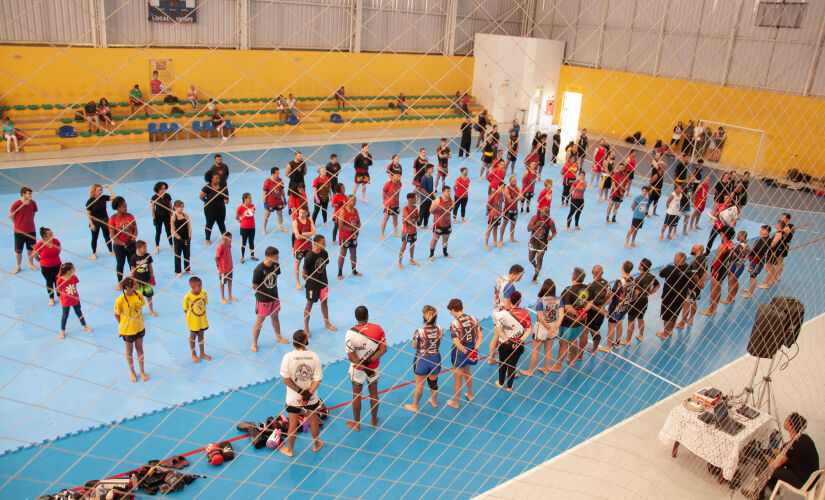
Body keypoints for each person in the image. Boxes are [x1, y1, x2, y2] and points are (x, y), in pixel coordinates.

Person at [750, 413, 820, 498]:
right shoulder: (804, 437)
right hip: (812, 479)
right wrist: (774, 451)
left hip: (803, 482)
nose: (784, 420)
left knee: (764, 466)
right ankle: (773, 486)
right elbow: (785, 450)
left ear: (791, 426)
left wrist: (764, 456)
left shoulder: (794, 445)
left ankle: (757, 496)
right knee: (781, 461)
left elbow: (775, 464)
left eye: (787, 419)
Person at [278, 330, 324, 457]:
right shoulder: (314, 356)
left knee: (292, 423)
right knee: (313, 420)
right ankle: (316, 445)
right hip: (311, 396)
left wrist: (301, 393)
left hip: (294, 397)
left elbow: (286, 380)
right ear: (304, 341)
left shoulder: (287, 357)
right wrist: (308, 394)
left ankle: (290, 450)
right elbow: (317, 379)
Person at [344, 306, 387, 430]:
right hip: (374, 367)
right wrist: (369, 362)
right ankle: (374, 421)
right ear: (367, 316)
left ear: (356, 317)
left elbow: (351, 356)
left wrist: (363, 365)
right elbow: (383, 349)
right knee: (374, 394)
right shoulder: (378, 329)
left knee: (357, 395)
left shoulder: (350, 333)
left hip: (357, 369)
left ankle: (357, 424)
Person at [403, 305, 443, 411]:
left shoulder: (419, 331)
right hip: (435, 358)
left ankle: (415, 406)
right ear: (435, 318)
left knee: (420, 385)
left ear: (424, 318)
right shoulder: (440, 329)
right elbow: (439, 340)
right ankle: (434, 402)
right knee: (433, 383)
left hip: (422, 360)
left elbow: (414, 346)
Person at [445, 299, 482, 409]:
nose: (451, 314)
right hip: (472, 348)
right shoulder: (474, 318)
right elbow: (480, 336)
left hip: (460, 352)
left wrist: (467, 353)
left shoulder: (454, 324)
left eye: (450, 312)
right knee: (467, 372)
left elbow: (456, 342)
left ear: (453, 310)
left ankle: (455, 403)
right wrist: (474, 351)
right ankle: (470, 395)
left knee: (458, 379)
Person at [490, 291, 531, 390]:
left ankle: (500, 383)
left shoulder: (502, 314)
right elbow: (529, 330)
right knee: (512, 365)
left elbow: (498, 330)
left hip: (505, 344)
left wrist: (507, 339)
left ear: (509, 300)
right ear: (520, 301)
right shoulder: (525, 313)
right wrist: (520, 340)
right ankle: (509, 386)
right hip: (518, 345)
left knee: (503, 363)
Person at [552, 267, 590, 371]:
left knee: (563, 343)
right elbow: (590, 301)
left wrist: (578, 313)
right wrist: (583, 311)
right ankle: (572, 360)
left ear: (573, 277)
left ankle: (558, 366)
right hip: (579, 322)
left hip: (568, 322)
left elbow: (567, 307)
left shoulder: (569, 290)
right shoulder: (586, 288)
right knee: (574, 340)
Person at [251, 246, 287, 351]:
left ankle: (278, 336)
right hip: (263, 299)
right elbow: (254, 286)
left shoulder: (276, 265)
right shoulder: (259, 269)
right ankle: (254, 343)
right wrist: (264, 292)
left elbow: (275, 278)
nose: (278, 257)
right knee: (260, 321)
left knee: (275, 317)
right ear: (269, 256)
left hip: (274, 296)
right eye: (276, 256)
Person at [521, 279, 560, 376]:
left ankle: (530, 371)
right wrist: (553, 328)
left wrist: (549, 328)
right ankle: (546, 369)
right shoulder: (558, 299)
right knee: (549, 349)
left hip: (542, 327)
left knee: (536, 350)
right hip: (553, 323)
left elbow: (541, 318)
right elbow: (561, 315)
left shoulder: (540, 301)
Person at [115, 277, 149, 382]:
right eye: (134, 284)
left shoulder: (138, 294)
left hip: (139, 327)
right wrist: (124, 325)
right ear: (127, 287)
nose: (137, 285)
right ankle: (132, 372)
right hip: (127, 330)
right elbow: (117, 315)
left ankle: (142, 371)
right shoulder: (120, 300)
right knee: (129, 352)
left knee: (140, 349)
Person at [303, 235, 336, 336]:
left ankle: (327, 322)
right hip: (312, 286)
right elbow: (304, 274)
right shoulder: (309, 257)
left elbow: (324, 267)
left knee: (324, 303)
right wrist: (311, 283)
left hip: (323, 283)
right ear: (316, 243)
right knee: (309, 304)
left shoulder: (324, 253)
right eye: (323, 243)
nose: (325, 245)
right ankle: (306, 328)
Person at [490, 264, 524, 362]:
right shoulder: (510, 286)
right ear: (513, 274)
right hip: (502, 313)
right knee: (505, 339)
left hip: (495, 310)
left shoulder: (499, 278)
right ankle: (505, 365)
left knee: (496, 335)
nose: (520, 278)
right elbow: (507, 304)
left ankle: (491, 358)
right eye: (520, 276)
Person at [599, 261, 634, 352]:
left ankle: (608, 347)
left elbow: (612, 295)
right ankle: (617, 344)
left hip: (616, 307)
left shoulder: (620, 281)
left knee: (611, 326)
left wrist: (604, 305)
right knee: (619, 324)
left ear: (622, 267)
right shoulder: (632, 279)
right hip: (625, 306)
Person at [56, 263, 93, 339]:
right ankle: (62, 331)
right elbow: (58, 290)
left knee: (79, 312)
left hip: (75, 298)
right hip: (66, 300)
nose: (74, 270)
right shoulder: (60, 280)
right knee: (65, 315)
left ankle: (85, 326)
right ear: (68, 271)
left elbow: (74, 285)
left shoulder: (74, 277)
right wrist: (61, 298)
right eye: (73, 269)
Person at [657, 252, 689, 339]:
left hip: (670, 297)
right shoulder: (688, 268)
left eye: (675, 256)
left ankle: (665, 333)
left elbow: (660, 273)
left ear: (678, 259)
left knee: (667, 316)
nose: (674, 258)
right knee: (675, 314)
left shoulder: (671, 269)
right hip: (682, 296)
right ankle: (670, 330)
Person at [626, 258, 659, 343]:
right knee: (640, 318)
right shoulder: (652, 277)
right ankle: (641, 335)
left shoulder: (639, 278)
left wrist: (632, 301)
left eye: (640, 264)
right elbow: (657, 286)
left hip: (637, 301)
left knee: (631, 320)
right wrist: (649, 293)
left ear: (642, 266)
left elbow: (636, 292)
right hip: (644, 300)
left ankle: (628, 340)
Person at [108, 196, 137, 285]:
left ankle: (134, 281)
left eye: (126, 206)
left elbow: (135, 230)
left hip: (131, 244)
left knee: (132, 263)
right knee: (120, 264)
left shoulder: (130, 216)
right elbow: (113, 235)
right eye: (124, 206)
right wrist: (124, 243)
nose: (126, 208)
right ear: (118, 208)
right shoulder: (112, 219)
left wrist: (132, 240)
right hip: (119, 246)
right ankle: (120, 282)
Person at [676, 244, 706, 329]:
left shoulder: (696, 261)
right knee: (693, 302)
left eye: (693, 248)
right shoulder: (704, 258)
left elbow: (695, 274)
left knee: (686, 304)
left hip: (692, 285)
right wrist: (702, 282)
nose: (691, 249)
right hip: (696, 285)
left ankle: (682, 323)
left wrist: (698, 283)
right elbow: (705, 271)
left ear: (698, 250)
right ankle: (691, 319)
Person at [582, 265, 610, 356]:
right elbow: (611, 296)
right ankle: (594, 350)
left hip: (591, 312)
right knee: (596, 330)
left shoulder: (591, 286)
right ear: (602, 272)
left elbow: (588, 303)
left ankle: (580, 354)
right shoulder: (607, 283)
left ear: (592, 272)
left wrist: (599, 309)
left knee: (585, 331)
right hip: (601, 313)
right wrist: (602, 307)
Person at [10, 186, 38, 274]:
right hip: (19, 232)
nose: (31, 195)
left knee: (31, 249)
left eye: (31, 193)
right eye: (29, 193)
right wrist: (17, 224)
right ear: (23, 194)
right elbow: (11, 215)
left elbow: (33, 213)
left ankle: (31, 264)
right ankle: (18, 266)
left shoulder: (33, 203)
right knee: (19, 250)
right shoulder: (16, 204)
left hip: (31, 230)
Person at [183, 276, 211, 363]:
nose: (200, 287)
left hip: (202, 319)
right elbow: (185, 310)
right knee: (192, 337)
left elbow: (204, 304)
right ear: (192, 287)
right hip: (193, 321)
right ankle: (193, 354)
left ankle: (202, 353)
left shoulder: (204, 293)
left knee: (201, 336)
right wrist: (192, 319)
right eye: (198, 286)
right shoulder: (187, 297)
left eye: (201, 285)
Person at [527, 205, 557, 283]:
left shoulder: (550, 221)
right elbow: (528, 229)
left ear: (547, 214)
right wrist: (537, 225)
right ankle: (535, 266)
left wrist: (551, 237)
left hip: (542, 243)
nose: (542, 214)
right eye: (542, 212)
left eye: (545, 213)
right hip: (533, 241)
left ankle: (535, 276)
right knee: (531, 259)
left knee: (539, 259)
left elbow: (554, 232)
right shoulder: (535, 218)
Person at [33, 227, 61, 306]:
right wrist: (41, 261)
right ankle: (51, 298)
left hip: (57, 265)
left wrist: (54, 259)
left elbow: (59, 251)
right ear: (45, 236)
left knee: (58, 282)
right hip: (46, 267)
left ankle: (59, 296)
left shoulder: (56, 241)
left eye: (52, 233)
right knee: (49, 282)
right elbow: (35, 256)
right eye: (50, 234)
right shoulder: (39, 245)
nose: (53, 235)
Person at [87, 185, 116, 260]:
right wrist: (91, 224)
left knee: (107, 236)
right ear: (94, 191)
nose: (100, 192)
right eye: (98, 190)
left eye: (101, 190)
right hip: (95, 221)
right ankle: (94, 253)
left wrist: (109, 188)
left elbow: (114, 197)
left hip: (105, 220)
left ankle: (110, 251)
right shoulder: (90, 201)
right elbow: (88, 214)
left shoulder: (103, 197)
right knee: (94, 238)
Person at [336, 195, 362, 280]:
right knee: (343, 254)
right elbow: (341, 226)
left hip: (353, 236)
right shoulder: (343, 211)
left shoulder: (356, 210)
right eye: (353, 201)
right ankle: (339, 273)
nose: (354, 203)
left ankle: (354, 270)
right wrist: (353, 229)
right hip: (345, 237)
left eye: (355, 201)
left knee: (353, 254)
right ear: (348, 201)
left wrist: (357, 230)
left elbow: (359, 223)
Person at [130, 240, 157, 317]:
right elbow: (132, 269)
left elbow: (150, 267)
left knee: (149, 296)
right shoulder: (134, 257)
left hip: (147, 279)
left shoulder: (147, 255)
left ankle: (151, 310)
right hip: (138, 281)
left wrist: (152, 277)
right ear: (138, 248)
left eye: (146, 247)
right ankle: (139, 311)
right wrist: (133, 279)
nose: (146, 249)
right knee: (138, 298)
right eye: (144, 248)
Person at [742, 224, 771, 298]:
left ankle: (750, 293)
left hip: (757, 261)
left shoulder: (762, 240)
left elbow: (755, 250)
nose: (760, 230)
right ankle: (750, 289)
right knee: (752, 275)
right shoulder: (767, 239)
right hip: (757, 260)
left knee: (753, 276)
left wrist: (747, 252)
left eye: (762, 229)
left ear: (766, 231)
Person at [200, 172, 228, 245]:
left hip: (221, 208)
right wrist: (207, 201)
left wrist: (226, 199)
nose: (217, 179)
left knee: (221, 223)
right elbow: (201, 196)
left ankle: (224, 237)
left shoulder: (222, 186)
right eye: (215, 178)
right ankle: (207, 239)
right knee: (209, 224)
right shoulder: (207, 187)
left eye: (218, 178)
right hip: (210, 209)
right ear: (211, 179)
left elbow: (226, 196)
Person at [292, 206, 316, 290]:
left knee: (309, 263)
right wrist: (308, 235)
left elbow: (314, 232)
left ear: (306, 213)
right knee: (297, 263)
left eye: (303, 213)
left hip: (309, 246)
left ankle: (308, 279)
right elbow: (297, 236)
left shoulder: (310, 220)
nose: (301, 214)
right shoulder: (295, 221)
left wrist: (304, 234)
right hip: (299, 246)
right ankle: (297, 282)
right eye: (300, 212)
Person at [723, 230, 749, 304]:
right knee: (735, 281)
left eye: (738, 235)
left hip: (735, 264)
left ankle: (729, 299)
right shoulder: (747, 244)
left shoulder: (739, 245)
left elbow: (733, 256)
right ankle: (733, 296)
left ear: (742, 236)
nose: (737, 237)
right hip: (741, 265)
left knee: (731, 282)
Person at [429, 186, 454, 260]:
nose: (449, 193)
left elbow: (452, 209)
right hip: (438, 224)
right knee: (435, 239)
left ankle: (445, 253)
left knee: (446, 239)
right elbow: (431, 210)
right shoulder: (437, 201)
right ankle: (431, 255)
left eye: (450, 191)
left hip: (447, 223)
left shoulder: (452, 200)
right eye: (447, 191)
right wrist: (438, 216)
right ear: (443, 192)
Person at [761, 220, 787, 289]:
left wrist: (769, 243)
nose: (776, 224)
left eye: (777, 224)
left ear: (779, 225)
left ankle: (766, 283)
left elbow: (773, 244)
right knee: (771, 266)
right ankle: (771, 280)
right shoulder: (783, 233)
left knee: (769, 266)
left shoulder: (778, 234)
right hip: (776, 251)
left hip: (773, 252)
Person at [262, 166, 287, 235]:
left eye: (279, 173)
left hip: (278, 201)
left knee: (280, 214)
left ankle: (281, 227)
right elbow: (264, 193)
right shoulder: (267, 181)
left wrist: (284, 199)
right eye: (277, 173)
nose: (278, 175)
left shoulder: (280, 180)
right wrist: (264, 202)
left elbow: (282, 190)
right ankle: (264, 229)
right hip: (270, 202)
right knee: (267, 216)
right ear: (272, 174)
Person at [150, 182, 173, 254]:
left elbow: (170, 206)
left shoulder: (167, 196)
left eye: (164, 188)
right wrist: (154, 219)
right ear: (158, 189)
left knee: (168, 231)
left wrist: (172, 216)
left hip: (167, 216)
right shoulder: (154, 197)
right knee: (158, 232)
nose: (163, 190)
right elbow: (153, 209)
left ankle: (171, 244)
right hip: (158, 217)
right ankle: (157, 246)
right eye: (162, 189)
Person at [171, 200, 192, 276]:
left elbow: (189, 227)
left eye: (183, 207)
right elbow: (173, 230)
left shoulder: (186, 215)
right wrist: (180, 239)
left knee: (187, 254)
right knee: (178, 254)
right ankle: (178, 271)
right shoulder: (173, 217)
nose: (182, 208)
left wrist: (189, 237)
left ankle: (187, 268)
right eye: (180, 207)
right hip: (178, 239)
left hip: (186, 237)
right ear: (175, 208)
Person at [215, 231, 236, 303]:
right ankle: (222, 297)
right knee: (222, 283)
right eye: (230, 238)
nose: (231, 240)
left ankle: (230, 295)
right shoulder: (220, 247)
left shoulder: (228, 244)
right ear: (225, 239)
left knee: (230, 280)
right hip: (223, 268)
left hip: (229, 266)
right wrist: (218, 265)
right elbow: (216, 257)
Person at [399, 193, 419, 269]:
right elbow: (409, 221)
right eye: (414, 198)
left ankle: (411, 260)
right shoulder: (405, 209)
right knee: (403, 247)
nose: (415, 199)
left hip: (413, 230)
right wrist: (414, 219)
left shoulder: (415, 208)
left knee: (412, 246)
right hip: (406, 231)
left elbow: (418, 219)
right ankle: (400, 262)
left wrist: (413, 219)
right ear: (410, 199)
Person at [499, 176, 521, 244]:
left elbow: (522, 197)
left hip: (515, 209)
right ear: (510, 181)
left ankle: (512, 237)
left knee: (513, 224)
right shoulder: (507, 189)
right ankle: (501, 239)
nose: (515, 182)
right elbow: (509, 200)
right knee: (504, 224)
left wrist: (514, 198)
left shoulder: (518, 188)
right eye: (513, 181)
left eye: (515, 181)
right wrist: (517, 198)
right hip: (507, 209)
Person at [236, 193, 257, 262]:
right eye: (249, 198)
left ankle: (252, 255)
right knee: (243, 242)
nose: (251, 199)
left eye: (251, 198)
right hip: (244, 228)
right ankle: (242, 257)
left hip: (252, 227)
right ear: (245, 199)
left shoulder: (252, 206)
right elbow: (237, 217)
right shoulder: (240, 207)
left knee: (251, 241)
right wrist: (242, 222)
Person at [380, 172, 402, 240]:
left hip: (396, 204)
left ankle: (395, 232)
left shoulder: (400, 184)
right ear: (393, 176)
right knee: (385, 219)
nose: (398, 177)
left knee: (395, 219)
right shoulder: (388, 184)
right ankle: (382, 234)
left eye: (399, 176)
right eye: (397, 176)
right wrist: (384, 201)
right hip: (389, 204)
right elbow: (384, 192)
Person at [775, 212, 794, 283]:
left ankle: (777, 275)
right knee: (778, 261)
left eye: (783, 217)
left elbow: (786, 232)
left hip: (784, 245)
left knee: (780, 261)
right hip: (781, 244)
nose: (781, 219)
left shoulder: (790, 226)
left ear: (787, 218)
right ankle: (777, 275)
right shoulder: (785, 225)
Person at [485, 184, 504, 250]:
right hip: (493, 213)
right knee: (489, 228)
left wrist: (501, 212)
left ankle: (495, 242)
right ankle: (486, 244)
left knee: (496, 228)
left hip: (499, 213)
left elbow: (501, 203)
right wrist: (489, 211)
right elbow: (487, 204)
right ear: (498, 186)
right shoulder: (493, 194)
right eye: (501, 187)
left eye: (503, 188)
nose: (502, 189)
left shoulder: (501, 195)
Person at [648, 151, 665, 216]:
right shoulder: (654, 163)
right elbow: (651, 182)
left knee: (656, 201)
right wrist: (649, 189)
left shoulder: (662, 174)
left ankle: (654, 212)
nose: (659, 157)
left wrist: (661, 163)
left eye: (659, 156)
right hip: (653, 187)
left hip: (658, 190)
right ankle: (646, 211)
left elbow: (664, 164)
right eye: (657, 156)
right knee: (650, 201)